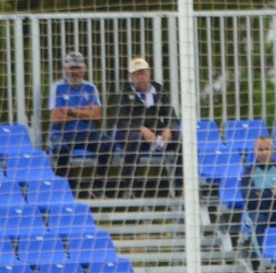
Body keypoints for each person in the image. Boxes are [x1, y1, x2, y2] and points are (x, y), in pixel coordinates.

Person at [110, 57, 180, 195]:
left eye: (143, 73)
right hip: (133, 135)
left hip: (156, 132)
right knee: (135, 137)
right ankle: (130, 186)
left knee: (181, 137)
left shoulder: (159, 91)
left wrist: (169, 128)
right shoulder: (124, 94)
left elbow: (171, 114)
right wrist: (140, 128)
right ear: (131, 77)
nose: (140, 77)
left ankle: (180, 186)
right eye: (136, 74)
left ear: (149, 73)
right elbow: (120, 120)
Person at [46, 51, 108, 181]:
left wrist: (71, 111)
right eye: (71, 68)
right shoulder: (57, 87)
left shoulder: (91, 88)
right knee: (60, 149)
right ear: (65, 69)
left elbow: (97, 116)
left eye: (78, 68)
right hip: (63, 132)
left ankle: (99, 181)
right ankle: (67, 182)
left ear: (84, 69)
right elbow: (56, 117)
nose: (75, 72)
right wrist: (85, 112)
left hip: (86, 132)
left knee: (107, 144)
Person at [240, 135, 276, 240]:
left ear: (273, 150)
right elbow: (251, 200)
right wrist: (272, 193)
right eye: (260, 149)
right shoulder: (248, 172)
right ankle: (261, 253)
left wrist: (261, 193)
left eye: (267, 149)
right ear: (254, 151)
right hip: (258, 211)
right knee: (258, 220)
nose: (264, 153)